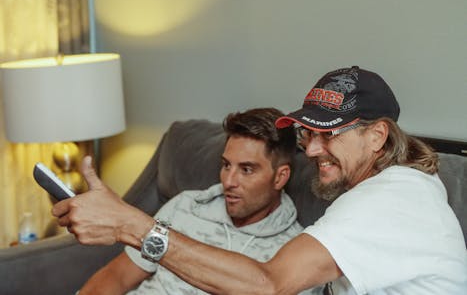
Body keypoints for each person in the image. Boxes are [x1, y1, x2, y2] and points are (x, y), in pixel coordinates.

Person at [54, 66, 467, 294]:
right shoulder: (387, 191)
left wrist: (132, 224)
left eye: (330, 135)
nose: (312, 149)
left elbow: (268, 285)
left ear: (377, 136)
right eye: (310, 134)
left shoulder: (392, 198)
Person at [75, 107, 319, 294]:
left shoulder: (294, 255)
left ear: (280, 177)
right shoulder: (186, 206)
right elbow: (118, 275)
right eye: (226, 165)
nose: (229, 181)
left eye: (246, 170)